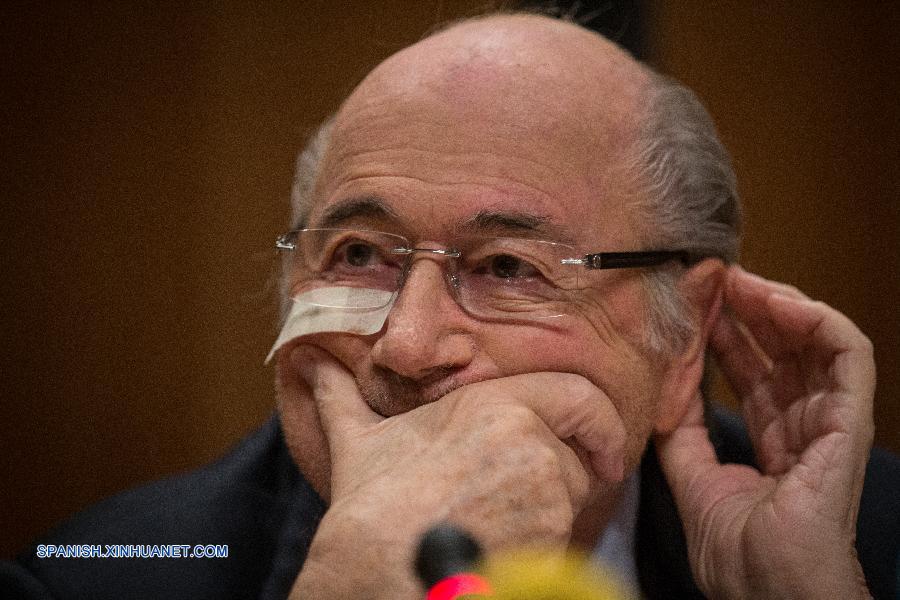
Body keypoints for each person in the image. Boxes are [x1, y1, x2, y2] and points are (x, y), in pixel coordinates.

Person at [4, 12, 898, 600]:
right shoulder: (98, 578)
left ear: (685, 341)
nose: (406, 343)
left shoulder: (857, 550)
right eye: (359, 255)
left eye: (508, 267)